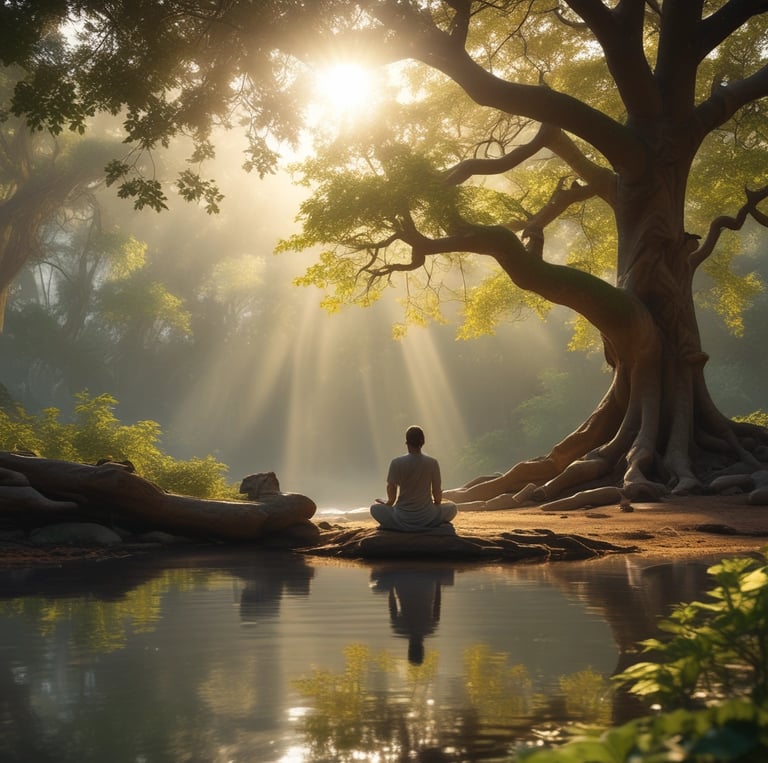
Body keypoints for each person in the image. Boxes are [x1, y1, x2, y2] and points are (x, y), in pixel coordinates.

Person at [370, 425, 457, 532]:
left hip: (401, 518)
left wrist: (387, 504)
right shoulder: (432, 462)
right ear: (423, 442)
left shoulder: (397, 462)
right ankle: (428, 523)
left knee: (374, 508)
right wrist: (435, 505)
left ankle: (398, 526)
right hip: (427, 518)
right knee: (452, 507)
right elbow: (437, 492)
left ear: (407, 442)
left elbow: (391, 490)